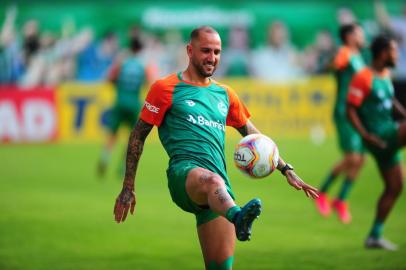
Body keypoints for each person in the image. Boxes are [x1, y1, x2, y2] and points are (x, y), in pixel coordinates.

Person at [112, 26, 318, 270]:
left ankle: (235, 215)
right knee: (211, 181)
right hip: (184, 175)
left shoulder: (225, 94)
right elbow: (137, 136)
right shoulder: (164, 89)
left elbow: (254, 135)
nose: (212, 58)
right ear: (190, 51)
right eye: (206, 51)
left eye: (217, 52)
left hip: (220, 193)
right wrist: (128, 187)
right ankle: (239, 216)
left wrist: (286, 169)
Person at [347, 35, 406, 251]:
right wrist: (364, 135)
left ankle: (374, 236)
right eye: (394, 50)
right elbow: (350, 109)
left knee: (395, 187)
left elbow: (390, 100)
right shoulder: (363, 77)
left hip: (388, 134)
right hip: (378, 135)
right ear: (383, 53)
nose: (397, 54)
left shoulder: (385, 74)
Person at [315, 23, 367, 224]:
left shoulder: (358, 56)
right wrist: (333, 63)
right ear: (350, 36)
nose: (363, 36)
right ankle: (322, 192)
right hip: (346, 112)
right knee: (352, 157)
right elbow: (333, 65)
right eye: (360, 33)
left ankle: (341, 200)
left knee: (360, 159)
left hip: (359, 113)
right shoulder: (345, 52)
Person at [97, 36, 147, 176]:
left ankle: (104, 158)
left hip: (120, 102)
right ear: (140, 49)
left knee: (112, 134)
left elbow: (110, 78)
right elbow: (149, 81)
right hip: (134, 104)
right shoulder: (143, 64)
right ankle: (123, 167)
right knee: (132, 138)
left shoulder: (122, 62)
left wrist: (118, 84)